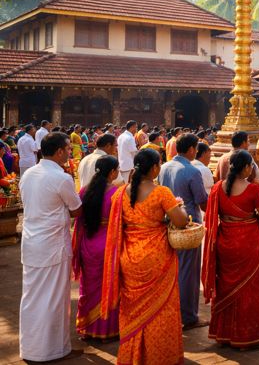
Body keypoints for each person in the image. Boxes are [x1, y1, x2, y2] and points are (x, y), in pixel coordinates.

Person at [101, 148, 189, 364]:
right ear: (155, 168)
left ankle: (133, 356)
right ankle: (159, 357)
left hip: (129, 257)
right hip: (156, 256)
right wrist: (182, 209)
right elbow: (180, 221)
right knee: (162, 308)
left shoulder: (120, 193)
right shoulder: (161, 193)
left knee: (131, 309)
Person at [19, 132, 82, 362]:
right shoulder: (61, 178)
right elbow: (76, 209)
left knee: (32, 297)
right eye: (67, 149)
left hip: (32, 243)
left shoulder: (28, 174)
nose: (69, 152)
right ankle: (51, 351)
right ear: (58, 152)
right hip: (52, 246)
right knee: (54, 299)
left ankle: (33, 348)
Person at [202, 150, 259, 348]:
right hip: (248, 243)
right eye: (251, 165)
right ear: (246, 167)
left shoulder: (218, 188)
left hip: (225, 242)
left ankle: (224, 333)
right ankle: (246, 335)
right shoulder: (253, 190)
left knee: (225, 286)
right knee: (250, 287)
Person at [158, 133, 208, 328]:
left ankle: (174, 310)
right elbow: (201, 200)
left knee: (173, 269)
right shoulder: (192, 171)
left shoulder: (164, 167)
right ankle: (188, 316)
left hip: (168, 222)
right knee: (189, 271)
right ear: (191, 149)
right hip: (188, 225)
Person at [73, 155, 120, 340]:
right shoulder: (116, 193)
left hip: (87, 244)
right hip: (108, 244)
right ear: (112, 172)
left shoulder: (84, 190)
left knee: (88, 287)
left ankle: (87, 327)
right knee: (109, 286)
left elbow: (79, 218)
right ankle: (105, 330)